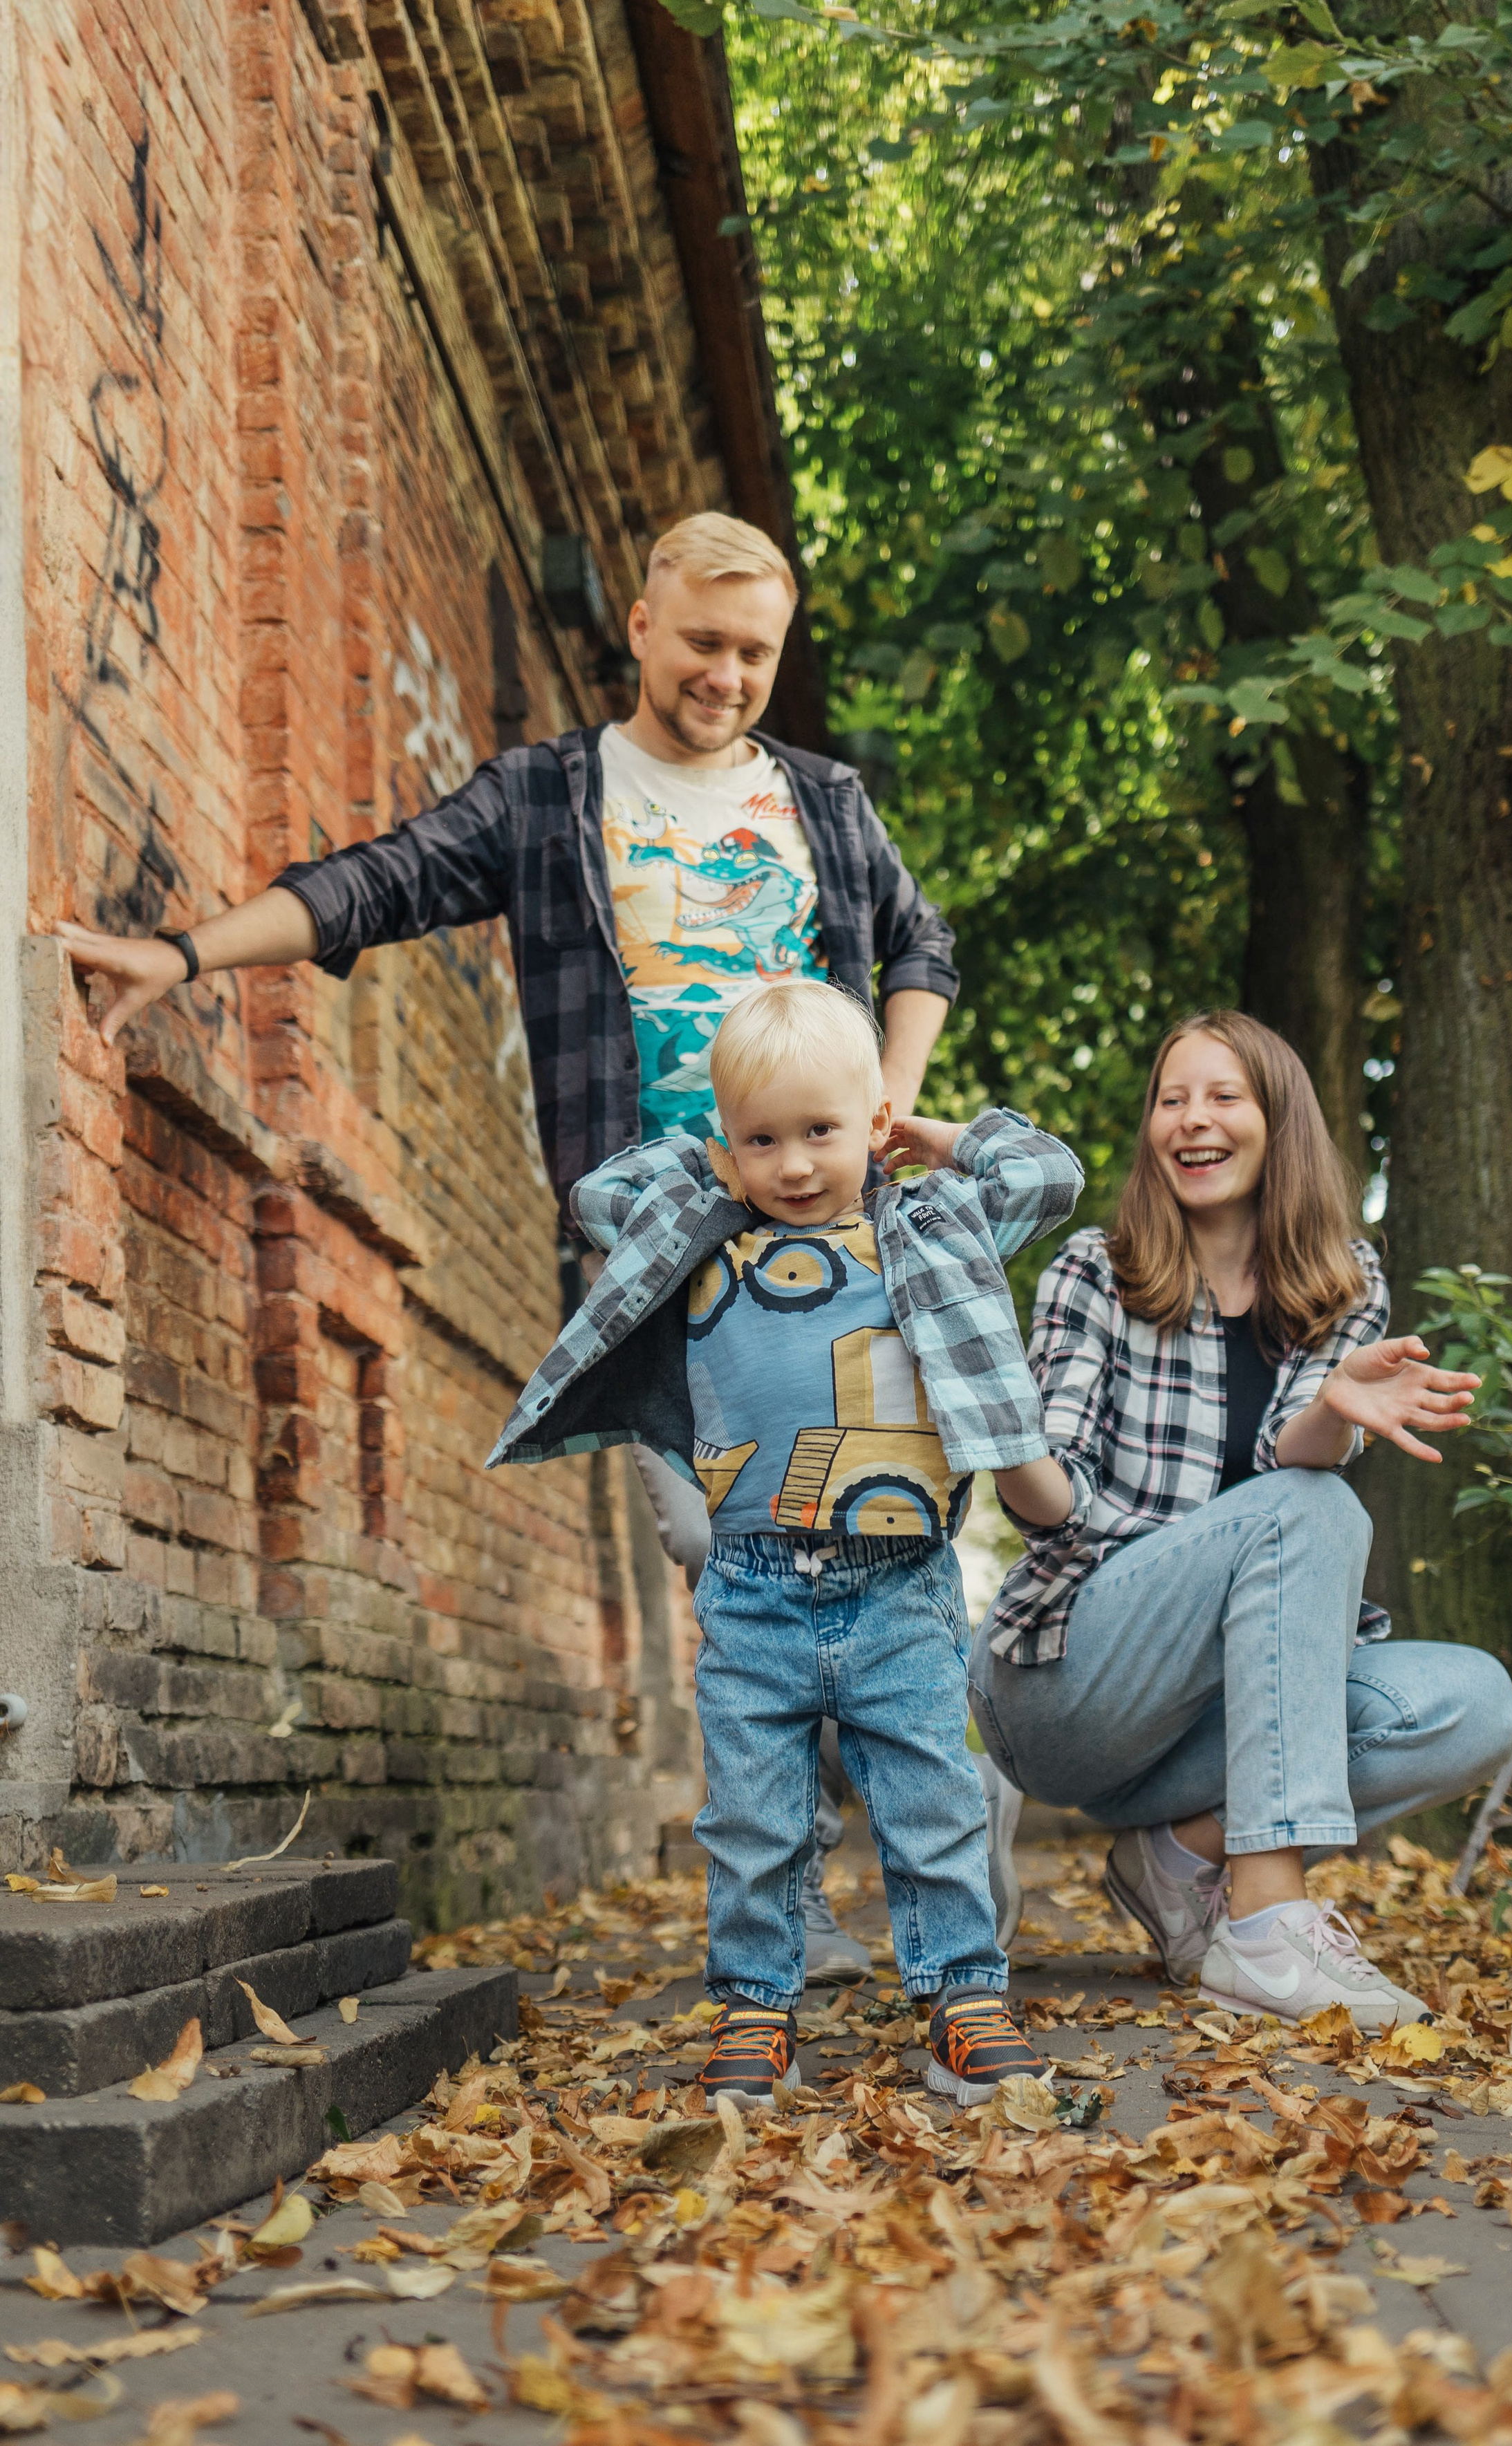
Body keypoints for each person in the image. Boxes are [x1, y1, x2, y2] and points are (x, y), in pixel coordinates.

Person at [55, 512, 946, 1983]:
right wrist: (187, 952)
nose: (727, 675)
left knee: (844, 1532)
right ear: (644, 627)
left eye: (755, 653)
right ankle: (798, 1893)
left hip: (834, 1241)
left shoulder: (826, 806)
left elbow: (919, 949)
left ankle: (879, 1850)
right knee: (719, 1540)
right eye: (704, 643)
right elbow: (380, 882)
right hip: (661, 1242)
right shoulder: (551, 797)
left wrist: (889, 1092)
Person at [487, 979, 1083, 2104]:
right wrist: (710, 1164)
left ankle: (961, 1999)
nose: (796, 1165)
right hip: (752, 1583)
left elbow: (1047, 1173)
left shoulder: (930, 1225)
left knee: (930, 1800)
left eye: (822, 1131)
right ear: (730, 1145)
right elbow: (594, 1196)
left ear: (873, 1126)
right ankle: (758, 2007)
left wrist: (929, 1136)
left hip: (899, 1582)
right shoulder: (703, 1235)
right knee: (752, 1814)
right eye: (764, 1139)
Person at [969, 1011, 1512, 2030]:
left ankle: (1179, 1855)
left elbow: (1295, 1461)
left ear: (1279, 1121)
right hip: (1068, 1683)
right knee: (1305, 1509)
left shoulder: (1342, 1281)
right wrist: (1004, 1441)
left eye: (1224, 1096)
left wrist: (1334, 1406)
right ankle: (1268, 1923)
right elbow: (1052, 1501)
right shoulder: (1097, 1267)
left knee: (1478, 1702)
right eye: (1172, 1100)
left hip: (1211, 1721)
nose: (1193, 1120)